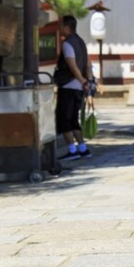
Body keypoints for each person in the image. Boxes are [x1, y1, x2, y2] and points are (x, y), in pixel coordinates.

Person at [54, 15, 93, 161]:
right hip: (78, 87)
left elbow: (71, 64)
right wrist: (87, 80)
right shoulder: (81, 42)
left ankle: (72, 149)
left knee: (64, 118)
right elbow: (88, 63)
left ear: (67, 27)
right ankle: (82, 147)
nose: (59, 29)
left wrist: (82, 80)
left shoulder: (67, 43)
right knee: (74, 119)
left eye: (61, 26)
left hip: (69, 84)